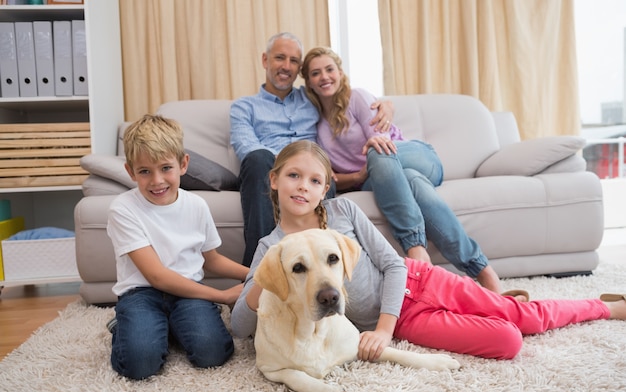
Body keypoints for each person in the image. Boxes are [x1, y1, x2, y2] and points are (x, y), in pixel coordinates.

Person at [230, 141, 626, 360]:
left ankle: (604, 307)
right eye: (293, 176)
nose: (302, 186)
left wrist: (382, 329)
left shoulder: (342, 211)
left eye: (314, 180)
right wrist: (266, 279)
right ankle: (492, 307)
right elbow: (241, 328)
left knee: (523, 316)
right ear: (274, 179)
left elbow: (392, 265)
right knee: (509, 340)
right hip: (409, 322)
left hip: (418, 283)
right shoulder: (272, 250)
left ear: (325, 188)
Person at [299, 46, 523, 299]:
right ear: (309, 82)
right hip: (382, 178)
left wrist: (369, 161)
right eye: (316, 73)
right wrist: (358, 177)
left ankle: (415, 248)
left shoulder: (357, 98)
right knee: (413, 183)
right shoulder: (315, 123)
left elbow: (380, 141)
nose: (324, 77)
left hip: (414, 156)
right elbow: (329, 174)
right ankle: (484, 272)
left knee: (379, 153)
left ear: (340, 72)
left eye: (329, 69)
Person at [230, 32, 394, 267]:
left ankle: (322, 266)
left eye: (294, 61)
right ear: (265, 60)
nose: (286, 66)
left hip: (312, 171)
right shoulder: (244, 107)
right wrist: (290, 166)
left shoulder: (312, 98)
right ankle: (259, 267)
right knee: (257, 158)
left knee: (321, 174)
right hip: (268, 170)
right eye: (280, 58)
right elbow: (246, 147)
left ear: (299, 69)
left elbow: (346, 98)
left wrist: (387, 105)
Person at [107, 114, 249, 380]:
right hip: (141, 294)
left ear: (183, 164)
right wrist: (223, 296)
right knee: (140, 364)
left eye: (165, 168)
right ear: (130, 172)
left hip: (188, 293)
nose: (157, 181)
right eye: (145, 171)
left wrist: (255, 274)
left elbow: (213, 260)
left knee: (213, 354)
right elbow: (156, 276)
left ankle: (170, 326)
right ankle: (124, 326)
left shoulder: (196, 205)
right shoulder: (123, 209)